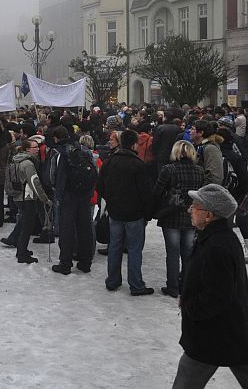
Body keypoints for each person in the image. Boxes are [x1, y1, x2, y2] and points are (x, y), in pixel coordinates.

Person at [171, 184, 248, 388]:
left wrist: (191, 307)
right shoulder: (213, 237)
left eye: (195, 206)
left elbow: (219, 294)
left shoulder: (218, 246)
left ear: (209, 215)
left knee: (186, 381)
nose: (189, 210)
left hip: (213, 333)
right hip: (228, 331)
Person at [97, 129, 154, 295]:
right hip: (135, 213)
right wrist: (147, 213)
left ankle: (112, 280)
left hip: (115, 211)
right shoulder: (138, 164)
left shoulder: (110, 161)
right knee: (134, 249)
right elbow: (146, 193)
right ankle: (136, 284)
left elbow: (100, 186)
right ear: (135, 143)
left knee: (115, 246)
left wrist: (111, 199)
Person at [152, 140, 204, 298]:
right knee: (188, 253)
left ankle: (173, 286)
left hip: (171, 215)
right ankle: (186, 284)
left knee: (172, 253)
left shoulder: (169, 169)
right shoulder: (199, 171)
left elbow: (157, 192)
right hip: (191, 215)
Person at [51, 127, 97, 275]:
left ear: (56, 138)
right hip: (84, 194)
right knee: (85, 228)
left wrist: (58, 192)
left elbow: (52, 177)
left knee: (66, 229)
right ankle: (85, 262)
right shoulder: (83, 150)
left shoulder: (59, 154)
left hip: (67, 196)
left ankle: (65, 263)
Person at [10, 138, 52, 264]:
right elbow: (34, 182)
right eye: (34, 147)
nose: (37, 149)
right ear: (27, 149)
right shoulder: (28, 163)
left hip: (19, 196)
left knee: (25, 224)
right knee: (27, 226)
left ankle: (21, 249)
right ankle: (22, 253)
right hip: (27, 197)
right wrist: (44, 198)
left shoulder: (17, 159)